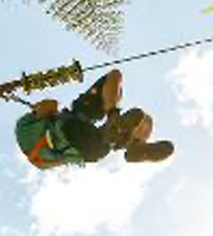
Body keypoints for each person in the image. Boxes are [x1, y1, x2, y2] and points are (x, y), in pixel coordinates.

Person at [14, 69, 175, 169]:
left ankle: (120, 136)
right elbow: (51, 105)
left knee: (102, 142)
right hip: (73, 126)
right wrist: (40, 108)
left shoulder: (39, 157)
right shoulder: (23, 125)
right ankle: (127, 137)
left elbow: (61, 161)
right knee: (115, 77)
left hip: (87, 148)